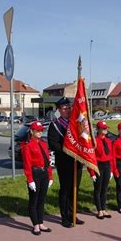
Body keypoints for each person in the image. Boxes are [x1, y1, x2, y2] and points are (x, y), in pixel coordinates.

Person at [47, 97, 84, 228]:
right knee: (65, 190)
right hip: (64, 163)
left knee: (75, 189)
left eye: (69, 107)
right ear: (59, 110)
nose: (68, 110)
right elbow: (52, 143)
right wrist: (67, 150)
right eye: (64, 108)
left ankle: (73, 213)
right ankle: (64, 218)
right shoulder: (55, 125)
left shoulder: (76, 123)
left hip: (77, 162)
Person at [21, 121, 53, 235]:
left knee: (42, 200)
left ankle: (41, 222)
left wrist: (50, 176)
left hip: (44, 174)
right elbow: (27, 164)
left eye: (41, 130)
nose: (40, 132)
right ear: (32, 131)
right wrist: (30, 180)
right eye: (37, 131)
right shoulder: (27, 145)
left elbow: (47, 161)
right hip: (35, 174)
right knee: (34, 201)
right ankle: (35, 225)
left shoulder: (43, 144)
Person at [89, 121, 115, 219]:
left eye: (106, 128)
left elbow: (111, 156)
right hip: (98, 166)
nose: (105, 130)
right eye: (103, 129)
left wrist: (111, 170)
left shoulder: (108, 141)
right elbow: (91, 158)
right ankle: (99, 210)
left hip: (107, 166)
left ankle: (104, 209)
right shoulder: (94, 141)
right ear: (98, 130)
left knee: (104, 189)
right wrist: (92, 173)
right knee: (98, 189)